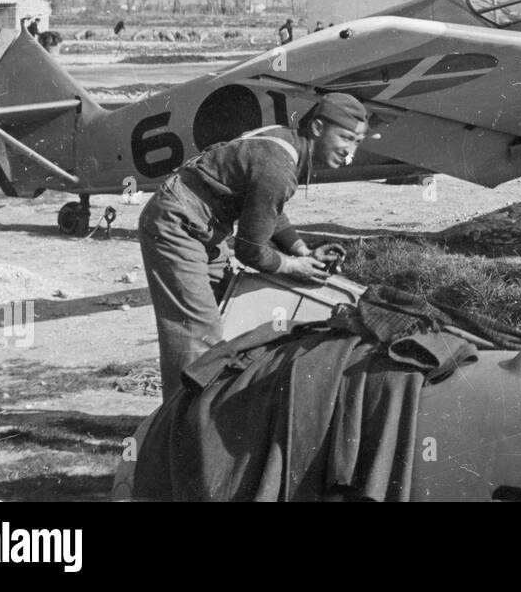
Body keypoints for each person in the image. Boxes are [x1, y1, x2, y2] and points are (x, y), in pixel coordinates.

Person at [139, 92, 369, 398]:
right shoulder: (279, 168)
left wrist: (301, 250)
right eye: (346, 138)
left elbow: (265, 207)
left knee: (228, 310)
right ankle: (176, 431)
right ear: (317, 128)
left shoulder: (285, 144)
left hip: (202, 227)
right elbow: (250, 250)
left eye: (357, 142)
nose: (350, 152)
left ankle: (201, 411)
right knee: (198, 332)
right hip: (177, 227)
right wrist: (293, 266)